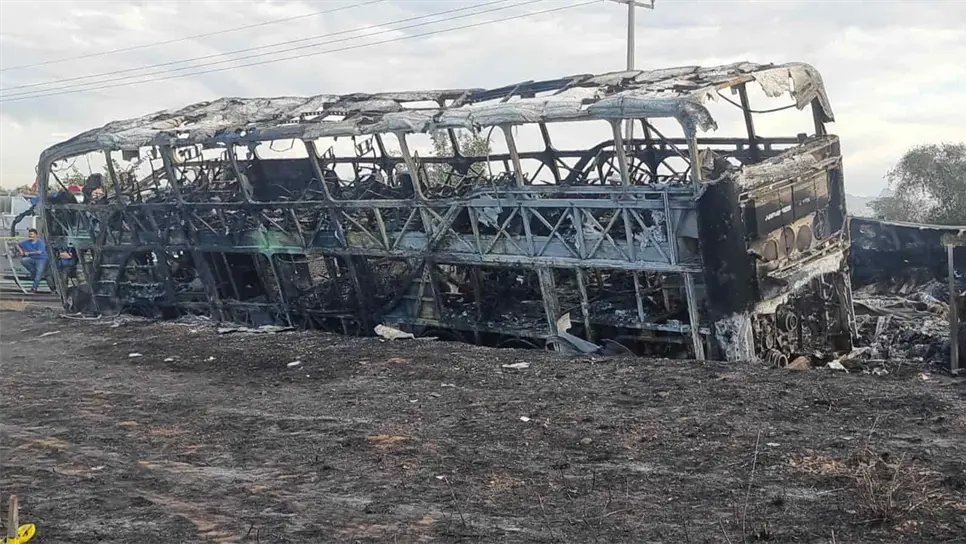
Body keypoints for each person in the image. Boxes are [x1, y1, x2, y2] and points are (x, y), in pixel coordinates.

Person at [17, 228, 48, 293]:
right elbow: (18, 244)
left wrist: (28, 253)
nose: (30, 236)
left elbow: (39, 252)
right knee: (23, 260)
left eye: (31, 234)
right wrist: (20, 250)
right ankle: (33, 272)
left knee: (39, 273)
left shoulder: (40, 243)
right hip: (32, 258)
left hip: (41, 259)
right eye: (29, 234)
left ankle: (34, 288)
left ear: (36, 235)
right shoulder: (26, 242)